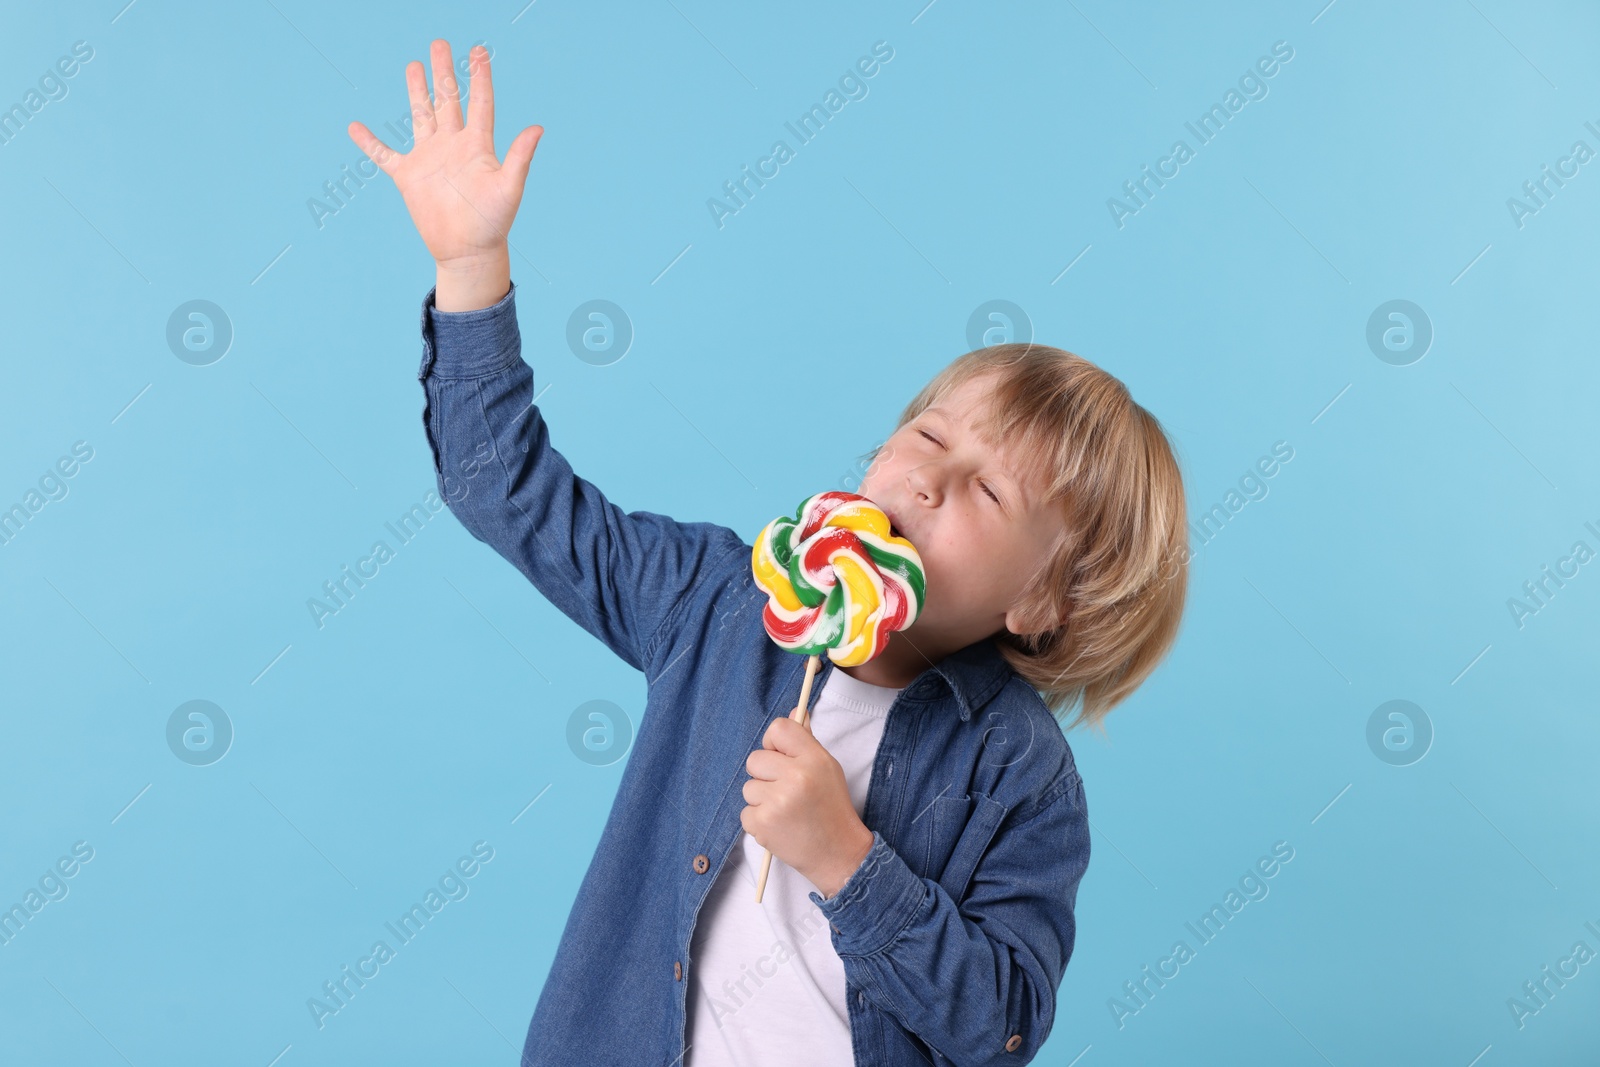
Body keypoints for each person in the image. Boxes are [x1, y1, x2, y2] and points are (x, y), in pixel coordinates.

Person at [349, 39, 1189, 1067]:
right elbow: (500, 489)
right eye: (927, 438)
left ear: (1043, 600)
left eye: (986, 489)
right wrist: (470, 267)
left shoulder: (1019, 770)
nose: (928, 478)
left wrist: (847, 858)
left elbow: (1001, 1026)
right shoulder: (716, 604)